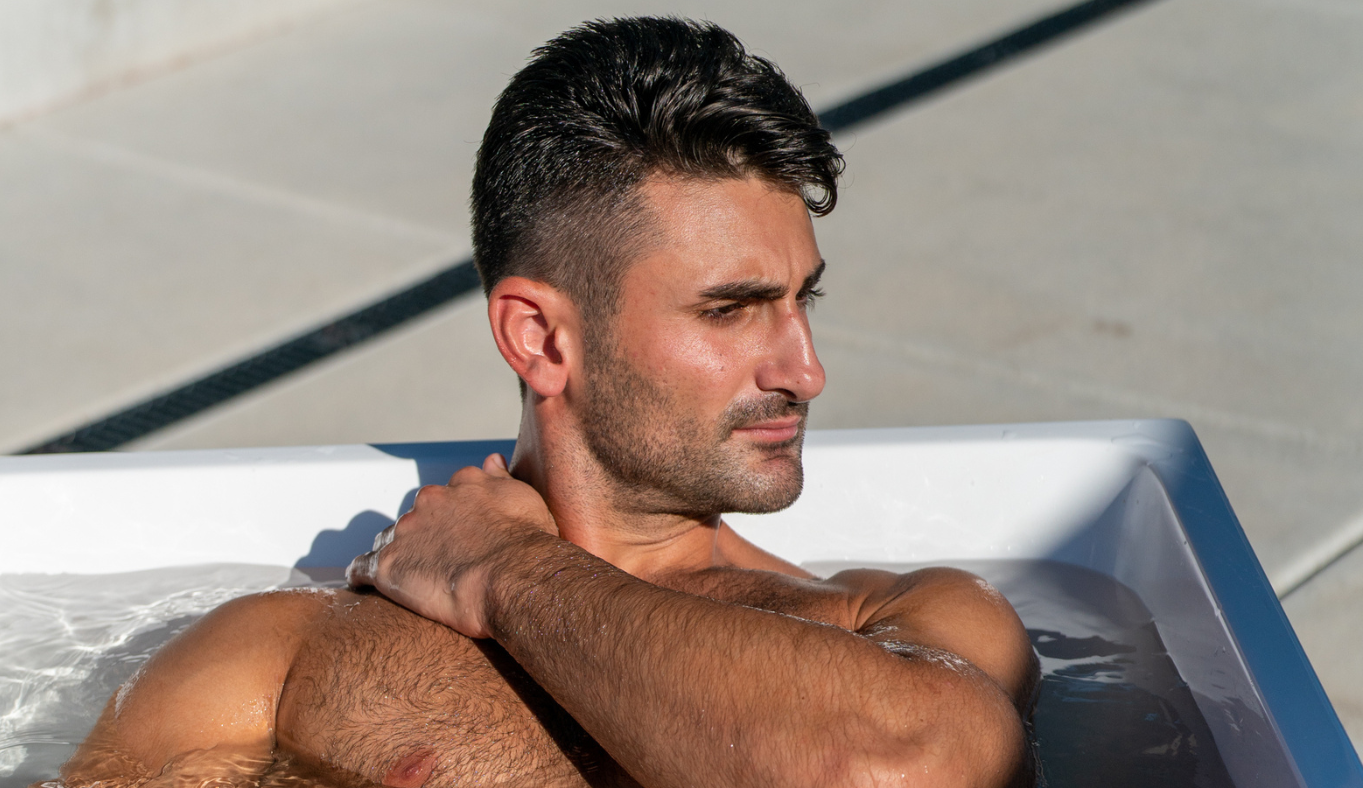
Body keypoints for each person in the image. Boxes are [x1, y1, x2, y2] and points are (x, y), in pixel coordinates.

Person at [58, 17, 1038, 788]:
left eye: (799, 299)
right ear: (540, 337)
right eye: (731, 310)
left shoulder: (907, 622)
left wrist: (508, 572)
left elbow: (907, 766)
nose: (803, 367)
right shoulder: (285, 653)